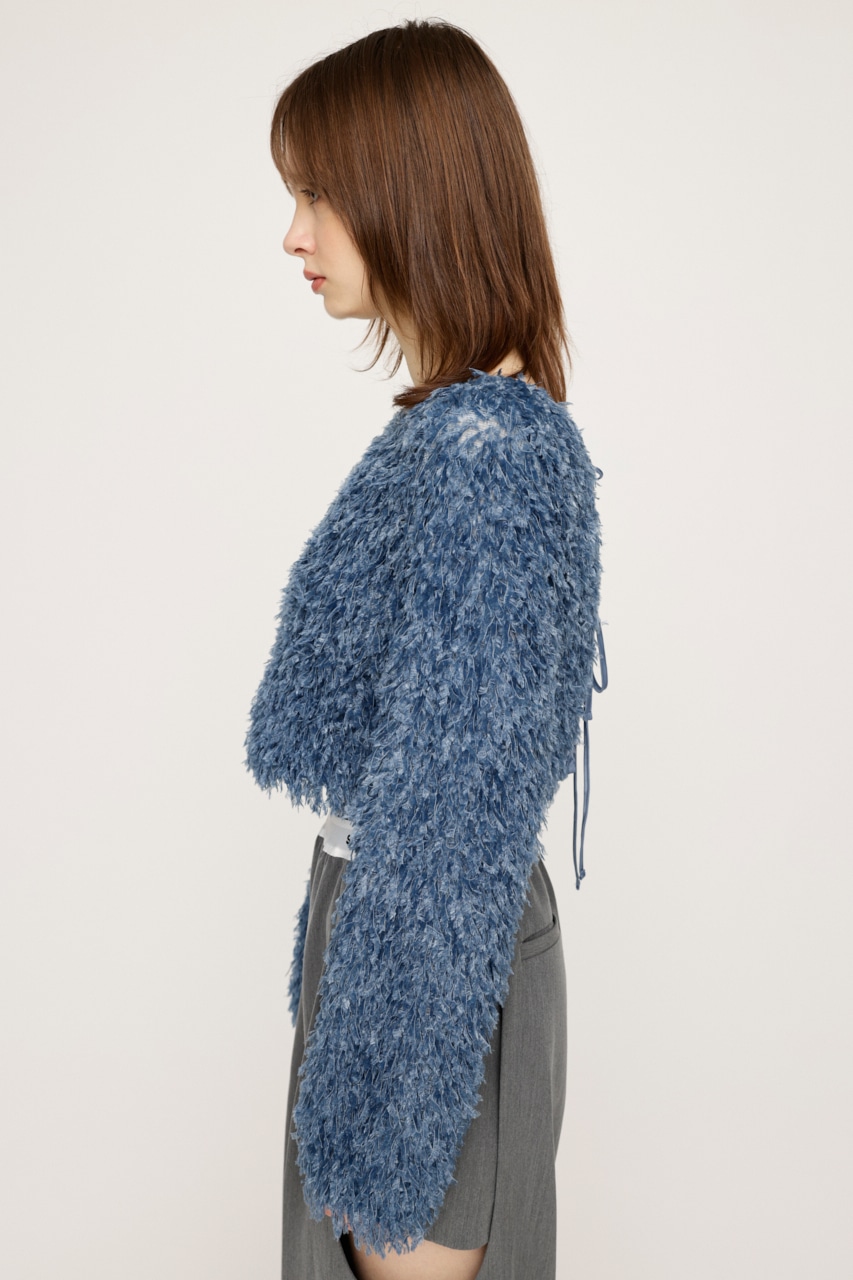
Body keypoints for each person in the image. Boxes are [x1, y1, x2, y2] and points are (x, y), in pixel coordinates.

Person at [245, 19, 605, 1280]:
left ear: (408, 194)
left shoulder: (484, 456)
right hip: (401, 948)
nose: (293, 234)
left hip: (422, 976)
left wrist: (385, 1116)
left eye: (315, 193)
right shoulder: (460, 434)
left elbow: (450, 815)